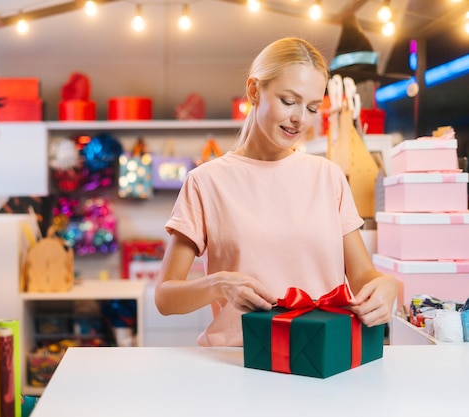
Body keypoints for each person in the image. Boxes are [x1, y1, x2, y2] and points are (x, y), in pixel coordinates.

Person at [154, 37, 397, 347]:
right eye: (288, 101)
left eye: (311, 108)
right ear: (255, 91)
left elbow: (363, 275)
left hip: (320, 358)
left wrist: (386, 286)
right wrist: (218, 284)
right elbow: (165, 297)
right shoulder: (206, 182)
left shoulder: (328, 178)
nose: (300, 118)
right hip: (239, 362)